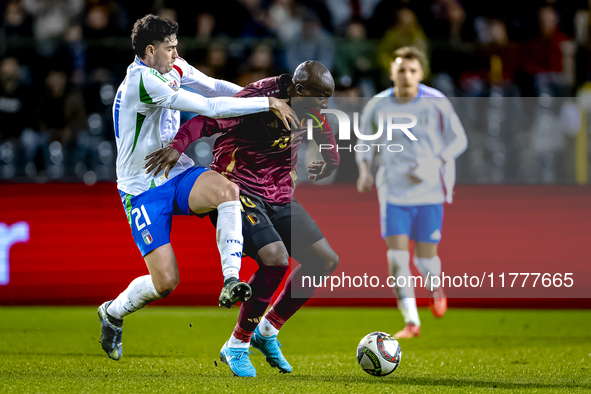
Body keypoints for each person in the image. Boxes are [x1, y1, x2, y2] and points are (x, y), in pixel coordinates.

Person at [97, 14, 296, 361]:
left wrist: (263, 106)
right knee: (165, 283)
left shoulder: (171, 68)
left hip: (175, 171)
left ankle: (231, 278)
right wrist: (267, 103)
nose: (176, 54)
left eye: (176, 47)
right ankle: (112, 313)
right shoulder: (142, 82)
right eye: (170, 49)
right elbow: (208, 107)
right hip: (140, 188)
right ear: (149, 50)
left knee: (227, 191)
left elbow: (216, 87)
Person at [144, 61, 340, 377]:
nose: (324, 106)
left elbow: (326, 134)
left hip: (279, 194)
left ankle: (267, 331)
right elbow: (206, 122)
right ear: (298, 90)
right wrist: (176, 147)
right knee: (275, 260)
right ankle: (237, 345)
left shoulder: (310, 107)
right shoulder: (259, 99)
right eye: (320, 98)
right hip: (240, 189)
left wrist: (330, 162)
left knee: (324, 260)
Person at [356, 46, 467, 339]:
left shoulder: (437, 102)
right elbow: (364, 143)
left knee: (425, 259)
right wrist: (365, 171)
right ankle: (411, 322)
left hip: (430, 190)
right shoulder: (378, 105)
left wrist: (435, 161)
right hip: (393, 191)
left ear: (421, 73)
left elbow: (459, 140)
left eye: (412, 70)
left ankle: (435, 286)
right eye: (401, 70)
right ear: (392, 73)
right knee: (396, 258)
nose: (406, 75)